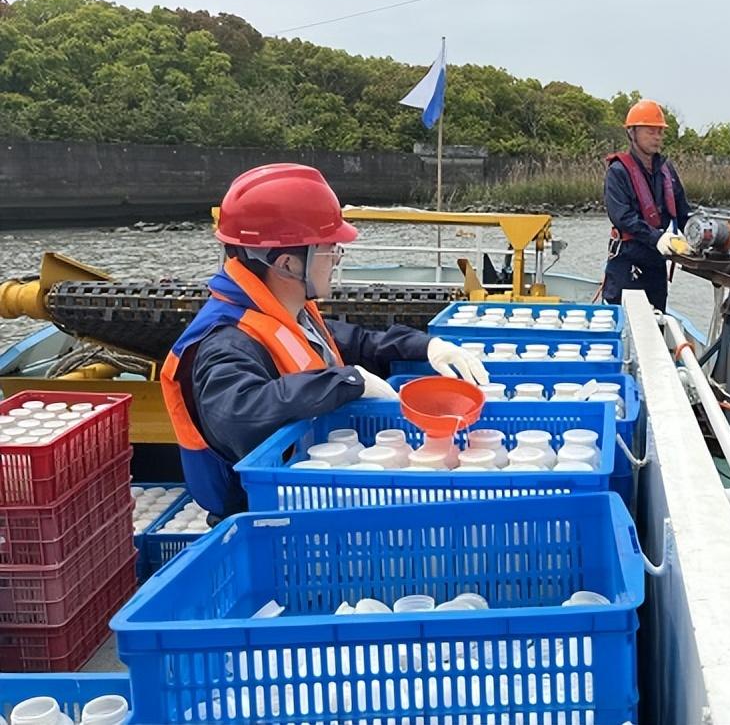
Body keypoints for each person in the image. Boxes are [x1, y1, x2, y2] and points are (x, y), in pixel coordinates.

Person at [161, 163, 487, 520]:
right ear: (287, 263)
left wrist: (426, 346)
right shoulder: (225, 340)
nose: (337, 260)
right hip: (266, 518)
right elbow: (241, 412)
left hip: (311, 499)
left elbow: (360, 342)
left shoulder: (290, 313)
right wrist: (348, 381)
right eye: (330, 249)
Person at [603, 99, 692, 311]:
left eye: (660, 131)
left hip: (656, 261)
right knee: (626, 321)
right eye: (650, 131)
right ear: (632, 133)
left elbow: (682, 213)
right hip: (627, 258)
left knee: (657, 318)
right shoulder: (618, 172)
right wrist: (657, 237)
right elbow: (622, 217)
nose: (657, 137)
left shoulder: (666, 170)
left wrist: (698, 237)